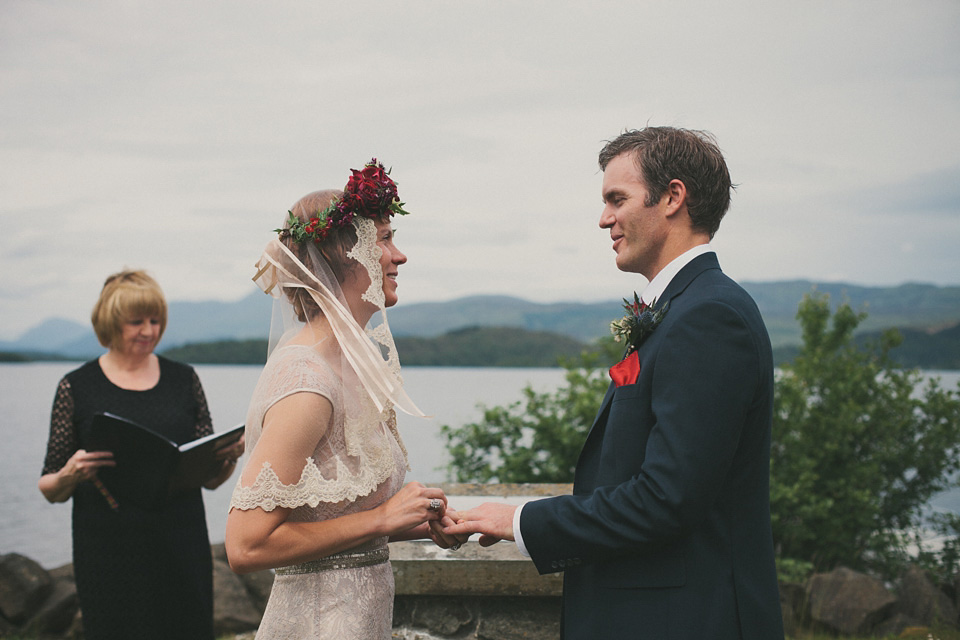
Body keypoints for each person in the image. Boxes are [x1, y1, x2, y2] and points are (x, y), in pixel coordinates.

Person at [445, 127, 785, 639]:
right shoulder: (682, 310)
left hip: (689, 620)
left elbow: (665, 499)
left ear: (673, 197)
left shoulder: (710, 316)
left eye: (616, 199)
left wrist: (519, 520)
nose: (604, 218)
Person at [225, 159, 463, 640]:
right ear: (344, 254)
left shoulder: (354, 363)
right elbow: (246, 546)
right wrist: (381, 517)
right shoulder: (306, 380)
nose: (399, 256)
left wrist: (421, 520)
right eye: (385, 239)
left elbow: (335, 521)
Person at [38, 269, 241, 640]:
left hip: (181, 544)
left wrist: (226, 457)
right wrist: (70, 474)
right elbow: (50, 487)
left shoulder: (185, 379)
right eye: (136, 322)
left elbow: (209, 481)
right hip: (107, 552)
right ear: (110, 324)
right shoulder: (76, 387)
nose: (149, 330)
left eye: (155, 320)